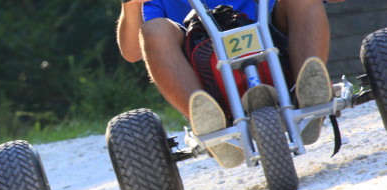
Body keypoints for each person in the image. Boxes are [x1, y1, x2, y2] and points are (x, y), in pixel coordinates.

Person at [116, 0, 341, 168]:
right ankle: (210, 125)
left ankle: (309, 94)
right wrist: (130, 4)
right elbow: (132, 52)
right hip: (206, 73)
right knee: (153, 30)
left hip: (275, 51)